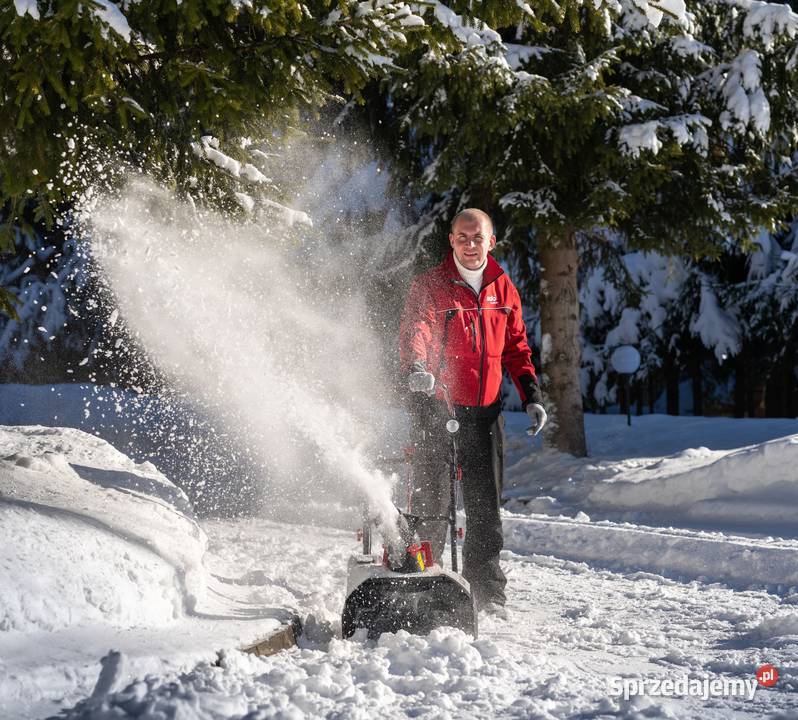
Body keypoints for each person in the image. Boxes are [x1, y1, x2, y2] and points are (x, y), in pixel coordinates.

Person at [398, 208, 547, 616]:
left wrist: (531, 393)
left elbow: (517, 346)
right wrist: (417, 368)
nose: (469, 243)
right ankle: (420, 580)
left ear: (491, 242)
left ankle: (488, 592)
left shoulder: (503, 287)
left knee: (485, 507)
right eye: (462, 236)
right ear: (451, 239)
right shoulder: (431, 285)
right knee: (431, 502)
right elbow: (419, 329)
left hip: (485, 415)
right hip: (437, 408)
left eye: (476, 237)